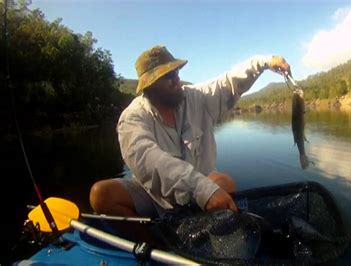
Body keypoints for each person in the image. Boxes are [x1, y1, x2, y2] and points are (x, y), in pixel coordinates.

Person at [89, 45, 291, 220]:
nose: (177, 79)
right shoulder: (132, 118)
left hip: (202, 195)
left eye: (176, 71)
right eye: (168, 75)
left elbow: (229, 82)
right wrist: (200, 189)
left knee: (224, 182)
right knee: (101, 194)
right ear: (149, 85)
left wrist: (265, 62)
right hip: (155, 196)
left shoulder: (195, 97)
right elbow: (148, 159)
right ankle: (154, 244)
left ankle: (204, 226)